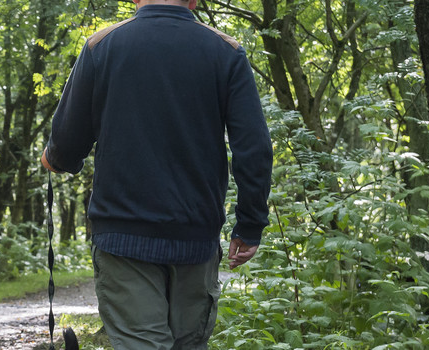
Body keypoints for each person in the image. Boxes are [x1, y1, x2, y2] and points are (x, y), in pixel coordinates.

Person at [40, 0, 272, 348]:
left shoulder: (102, 46)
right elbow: (253, 149)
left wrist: (54, 159)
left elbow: (65, 145)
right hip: (195, 237)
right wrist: (250, 225)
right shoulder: (225, 52)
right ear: (194, 1)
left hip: (122, 237)